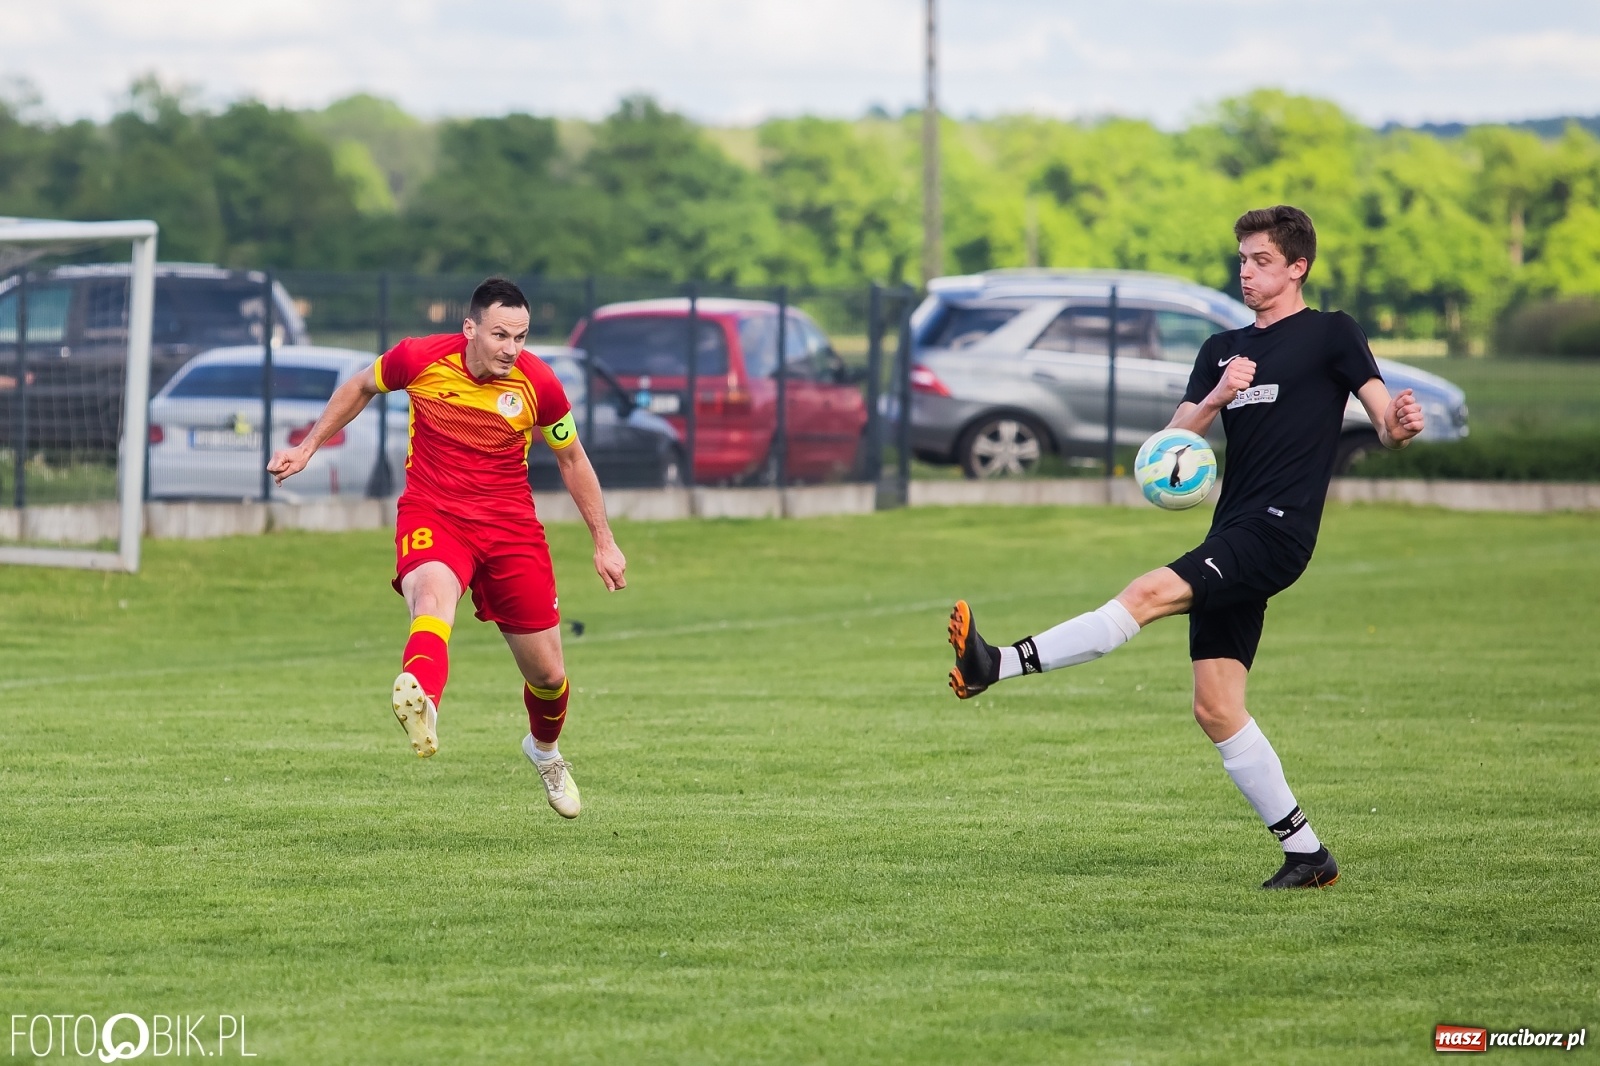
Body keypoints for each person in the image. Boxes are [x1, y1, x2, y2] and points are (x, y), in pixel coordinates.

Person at [946, 206, 1424, 888]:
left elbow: (1382, 422)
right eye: (1241, 259)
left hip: (1279, 530)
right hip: (1231, 529)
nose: (1246, 271)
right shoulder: (1221, 349)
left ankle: (997, 664)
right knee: (1216, 706)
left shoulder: (1330, 335)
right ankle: (1308, 856)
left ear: (1297, 266)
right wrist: (1221, 394)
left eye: (1260, 260)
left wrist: (1401, 424)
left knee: (1143, 594)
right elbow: (1172, 443)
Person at [267, 277, 627, 819]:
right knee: (432, 594)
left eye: (521, 337)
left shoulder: (540, 386)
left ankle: (545, 753)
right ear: (470, 329)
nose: (511, 348)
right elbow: (360, 385)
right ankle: (423, 700)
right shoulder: (420, 359)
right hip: (434, 513)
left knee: (549, 676)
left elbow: (573, 460)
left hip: (510, 530)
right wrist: (309, 445)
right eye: (501, 335)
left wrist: (605, 542)